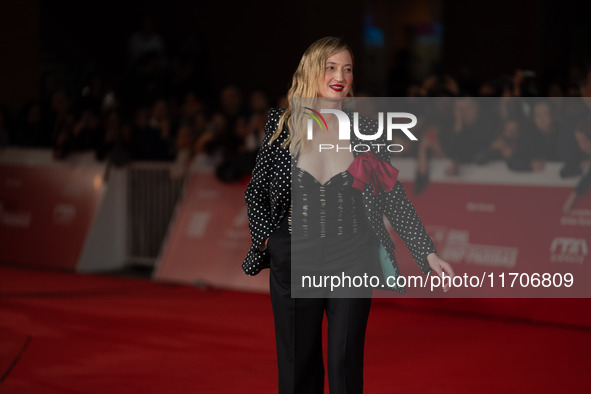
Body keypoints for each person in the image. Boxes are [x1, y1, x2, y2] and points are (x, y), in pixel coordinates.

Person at [243, 36, 454, 394]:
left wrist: (427, 252)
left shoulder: (366, 131)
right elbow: (256, 192)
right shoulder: (282, 125)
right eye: (331, 67)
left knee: (344, 363)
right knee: (298, 367)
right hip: (295, 256)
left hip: (351, 255)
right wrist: (269, 240)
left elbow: (393, 197)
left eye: (347, 68)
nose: (340, 76)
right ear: (312, 70)